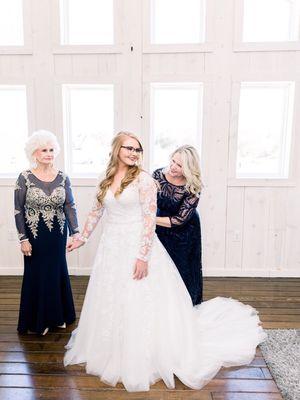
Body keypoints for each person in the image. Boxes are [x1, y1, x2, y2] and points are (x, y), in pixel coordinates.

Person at [64, 131, 266, 392]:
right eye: (129, 148)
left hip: (137, 247)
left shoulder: (145, 181)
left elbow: (149, 222)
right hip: (110, 247)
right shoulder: (106, 179)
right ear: (116, 149)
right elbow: (96, 211)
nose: (134, 153)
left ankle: (141, 352)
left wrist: (142, 257)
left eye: (138, 150)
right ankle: (110, 345)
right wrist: (81, 237)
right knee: (111, 296)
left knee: (138, 298)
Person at [14, 130, 79, 336]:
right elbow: (18, 210)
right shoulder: (24, 177)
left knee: (57, 272)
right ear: (34, 153)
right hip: (35, 234)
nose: (49, 153)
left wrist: (75, 232)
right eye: (44, 150)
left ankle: (58, 317)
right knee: (38, 274)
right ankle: (38, 320)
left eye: (51, 149)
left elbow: (70, 206)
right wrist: (23, 239)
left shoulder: (62, 177)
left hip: (58, 234)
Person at [153, 145, 203, 305]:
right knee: (159, 265)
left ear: (189, 168)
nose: (173, 167)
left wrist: (149, 219)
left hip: (184, 230)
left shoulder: (193, 185)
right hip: (159, 223)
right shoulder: (157, 174)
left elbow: (179, 220)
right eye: (173, 161)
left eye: (180, 165)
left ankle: (182, 308)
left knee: (181, 268)